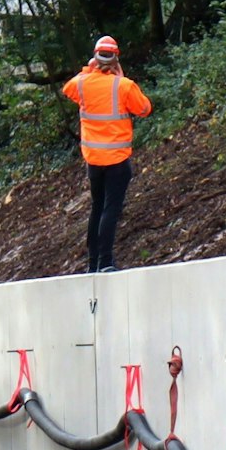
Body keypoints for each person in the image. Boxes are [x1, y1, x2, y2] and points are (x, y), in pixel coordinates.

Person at [61, 36, 152, 273]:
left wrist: (88, 69)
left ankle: (93, 264)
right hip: (118, 161)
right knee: (111, 209)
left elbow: (68, 87)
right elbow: (144, 109)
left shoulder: (82, 83)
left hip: (93, 160)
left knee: (97, 207)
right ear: (116, 59)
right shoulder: (124, 86)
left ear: (95, 56)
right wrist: (119, 77)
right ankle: (106, 262)